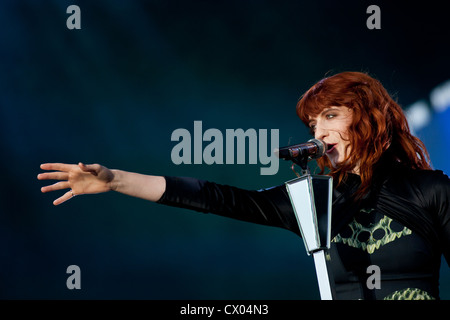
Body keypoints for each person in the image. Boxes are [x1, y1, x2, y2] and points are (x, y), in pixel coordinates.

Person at [38, 71, 450, 300]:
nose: (319, 133)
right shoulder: (315, 202)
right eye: (312, 124)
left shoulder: (431, 190)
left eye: (330, 115)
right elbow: (217, 198)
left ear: (368, 116)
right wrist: (114, 180)